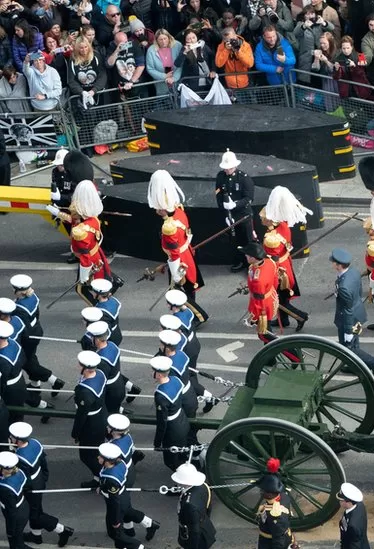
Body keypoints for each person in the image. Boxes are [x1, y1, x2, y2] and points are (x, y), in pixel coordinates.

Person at [44, 179, 115, 306]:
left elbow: (85, 257)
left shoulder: (80, 232)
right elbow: (75, 221)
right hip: (96, 256)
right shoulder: (93, 219)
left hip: (89, 262)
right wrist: (58, 213)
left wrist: (84, 276)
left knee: (89, 291)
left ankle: (101, 311)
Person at [149, 170, 208, 322]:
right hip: (186, 253)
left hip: (179, 259)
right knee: (188, 288)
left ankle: (198, 316)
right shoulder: (179, 211)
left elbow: (174, 252)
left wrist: (175, 272)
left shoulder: (168, 227)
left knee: (179, 289)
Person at [9, 422, 73, 547]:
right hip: (39, 480)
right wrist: (44, 477)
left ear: (17, 440)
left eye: (12, 437)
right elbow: (43, 461)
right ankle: (36, 535)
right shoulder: (35, 443)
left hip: (31, 486)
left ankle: (62, 530)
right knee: (36, 511)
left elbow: (21, 478)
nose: (10, 439)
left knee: (35, 514)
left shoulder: (20, 458)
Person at [261, 187, 311, 331]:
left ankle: (300, 317)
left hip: (279, 270)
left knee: (279, 299)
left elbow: (272, 258)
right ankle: (283, 319)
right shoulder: (281, 225)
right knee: (281, 297)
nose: (262, 218)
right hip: (285, 264)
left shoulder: (272, 237)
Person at [332, 248, 374, 377]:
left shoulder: (344, 286)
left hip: (348, 319)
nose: (332, 264)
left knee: (347, 347)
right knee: (354, 344)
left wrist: (348, 331)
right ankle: (354, 366)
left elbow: (347, 309)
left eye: (334, 262)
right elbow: (358, 292)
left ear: (339, 266)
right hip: (358, 312)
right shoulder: (353, 273)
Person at [97, 442, 160, 548]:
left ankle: (138, 546)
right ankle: (150, 524)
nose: (98, 457)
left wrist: (116, 521)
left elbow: (114, 502)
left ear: (107, 461)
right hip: (124, 495)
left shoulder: (111, 479)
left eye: (100, 456)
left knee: (114, 533)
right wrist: (102, 487)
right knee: (128, 511)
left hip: (117, 501)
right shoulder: (120, 463)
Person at [9, 275, 62, 398]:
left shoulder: (19, 309)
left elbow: (21, 327)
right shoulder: (33, 297)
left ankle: (53, 380)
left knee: (25, 362)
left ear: (18, 291)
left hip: (28, 337)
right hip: (36, 331)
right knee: (30, 358)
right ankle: (36, 385)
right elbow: (36, 315)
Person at [215, 150, 256, 272]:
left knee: (247, 240)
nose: (227, 170)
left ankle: (251, 264)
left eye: (229, 168)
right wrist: (224, 210)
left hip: (243, 215)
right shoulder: (220, 177)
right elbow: (218, 194)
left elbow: (249, 198)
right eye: (225, 168)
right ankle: (239, 261)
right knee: (235, 241)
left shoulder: (244, 178)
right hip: (230, 216)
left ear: (235, 166)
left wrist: (235, 205)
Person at [73, 350, 107, 489]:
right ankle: (98, 476)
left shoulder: (85, 392)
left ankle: (102, 477)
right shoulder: (100, 374)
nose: (77, 366)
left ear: (85, 368)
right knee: (95, 452)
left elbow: (81, 415)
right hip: (101, 415)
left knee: (87, 456)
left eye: (79, 364)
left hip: (91, 425)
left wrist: (76, 433)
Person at [151, 356, 190, 472]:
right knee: (182, 455)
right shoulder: (175, 380)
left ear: (158, 374)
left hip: (173, 430)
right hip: (182, 421)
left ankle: (182, 482)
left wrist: (157, 442)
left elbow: (162, 421)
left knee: (171, 462)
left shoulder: (160, 395)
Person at [172, 462, 216, 549]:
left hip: (196, 537)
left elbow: (194, 531)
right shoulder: (204, 486)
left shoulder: (189, 505)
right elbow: (208, 507)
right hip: (205, 525)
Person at [256, 458, 298, 549]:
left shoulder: (275, 514)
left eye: (263, 491)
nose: (261, 492)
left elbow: (278, 538)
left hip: (270, 543)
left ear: (270, 494)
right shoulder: (284, 496)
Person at [88, 321, 126, 415]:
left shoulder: (101, 360)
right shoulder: (112, 345)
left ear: (96, 339)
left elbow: (101, 382)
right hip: (119, 385)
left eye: (91, 337)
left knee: (108, 415)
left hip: (111, 392)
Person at [0, 451, 30, 549]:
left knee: (16, 545)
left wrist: (11, 530)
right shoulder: (19, 472)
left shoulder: (5, 489)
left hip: (15, 516)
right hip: (23, 507)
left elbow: (11, 512)